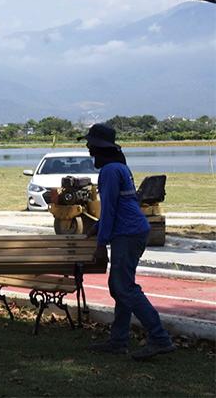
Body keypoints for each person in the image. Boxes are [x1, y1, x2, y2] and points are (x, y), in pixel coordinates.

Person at [81, 124, 175, 361]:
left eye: (91, 145)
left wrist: (101, 242)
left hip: (128, 233)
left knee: (124, 287)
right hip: (132, 231)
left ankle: (160, 339)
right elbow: (118, 206)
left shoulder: (110, 171)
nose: (88, 149)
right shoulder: (118, 167)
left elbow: (110, 209)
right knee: (120, 286)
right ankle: (118, 341)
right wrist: (97, 227)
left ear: (100, 147)